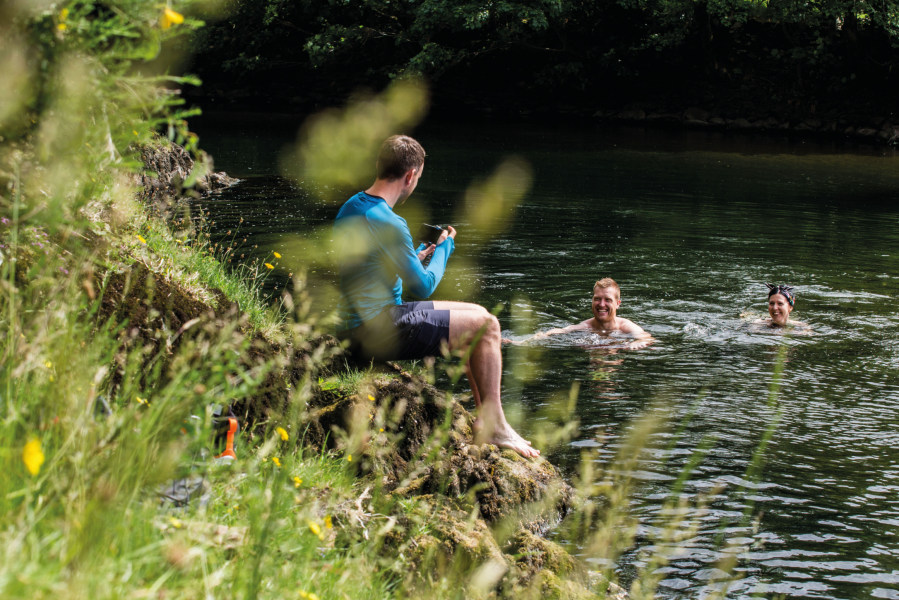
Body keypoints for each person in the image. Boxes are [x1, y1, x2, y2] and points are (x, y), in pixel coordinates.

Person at [333, 134, 538, 458]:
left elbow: (371, 267)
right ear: (411, 175)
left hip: (358, 325)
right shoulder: (390, 220)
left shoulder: (352, 207)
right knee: (486, 326)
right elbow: (424, 286)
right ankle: (496, 427)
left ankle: (488, 419)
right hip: (377, 329)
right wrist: (444, 249)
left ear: (379, 165)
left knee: (479, 314)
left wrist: (413, 255)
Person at [508, 278, 652, 348]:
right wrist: (521, 342)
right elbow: (555, 332)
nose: (602, 304)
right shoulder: (585, 327)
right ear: (592, 301)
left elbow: (647, 338)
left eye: (607, 300)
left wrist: (637, 343)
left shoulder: (625, 327)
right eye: (597, 299)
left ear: (617, 304)